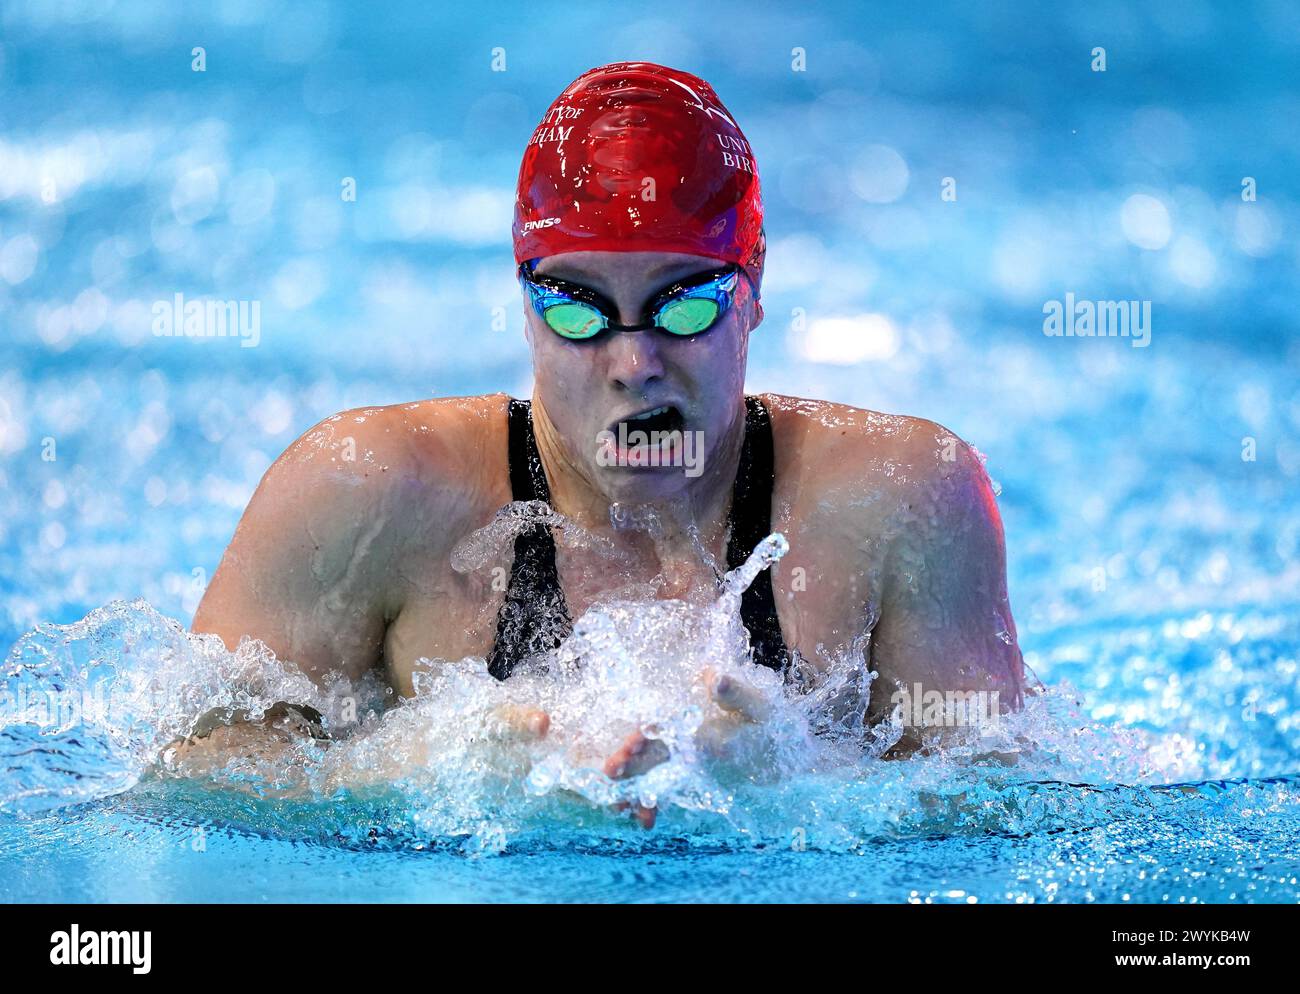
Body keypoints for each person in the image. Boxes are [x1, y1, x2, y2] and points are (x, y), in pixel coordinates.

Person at [185, 62, 1025, 827]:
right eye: (577, 308)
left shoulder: (905, 497)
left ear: (754, 288)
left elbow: (1000, 809)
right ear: (525, 302)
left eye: (684, 305)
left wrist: (800, 781)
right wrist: (409, 769)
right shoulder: (366, 491)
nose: (635, 365)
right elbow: (186, 786)